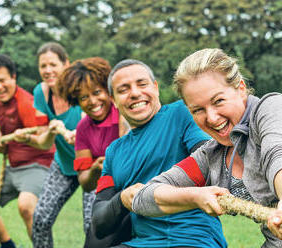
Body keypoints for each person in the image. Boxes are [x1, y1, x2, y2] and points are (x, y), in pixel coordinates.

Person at [132, 48, 282, 248]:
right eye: (198, 110)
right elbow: (144, 197)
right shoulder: (211, 156)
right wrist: (196, 196)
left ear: (241, 88)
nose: (211, 118)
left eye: (218, 101)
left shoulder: (273, 109)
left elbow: (280, 156)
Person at [91, 59, 228, 248]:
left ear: (155, 87)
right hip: (140, 243)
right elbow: (99, 223)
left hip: (193, 239)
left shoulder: (181, 112)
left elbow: (211, 161)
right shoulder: (114, 151)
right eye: (123, 89)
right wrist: (122, 199)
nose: (135, 93)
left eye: (142, 84)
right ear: (113, 101)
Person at [57, 56, 129, 247]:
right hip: (108, 191)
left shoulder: (125, 113)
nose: (92, 101)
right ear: (76, 101)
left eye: (97, 92)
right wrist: (96, 169)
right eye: (83, 97)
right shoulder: (83, 128)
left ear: (108, 89)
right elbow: (85, 183)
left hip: (136, 189)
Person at [27, 42, 92, 248]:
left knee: (92, 225)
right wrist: (50, 130)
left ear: (66, 64)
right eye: (43, 66)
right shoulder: (41, 93)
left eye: (53, 64)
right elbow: (41, 142)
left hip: (93, 166)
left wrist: (80, 134)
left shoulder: (82, 89)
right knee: (40, 219)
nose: (48, 71)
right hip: (64, 165)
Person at [0, 54, 54, 248]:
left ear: (13, 77)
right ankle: (8, 245)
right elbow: (4, 129)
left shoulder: (27, 103)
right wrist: (1, 141)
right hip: (13, 168)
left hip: (38, 165)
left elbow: (45, 142)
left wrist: (26, 138)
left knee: (26, 205)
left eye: (2, 80)